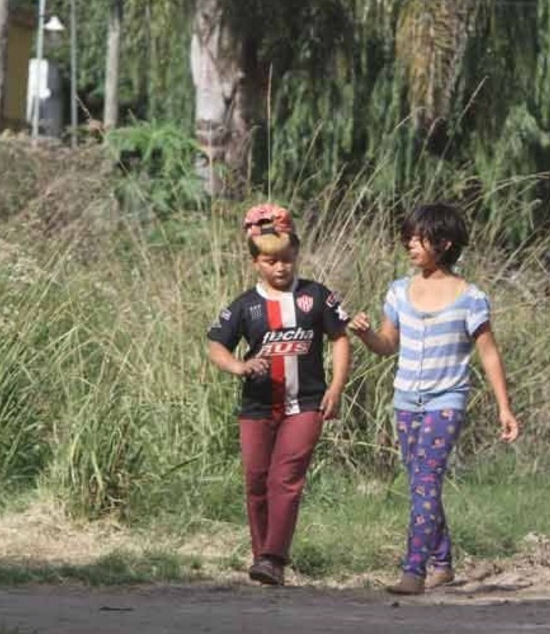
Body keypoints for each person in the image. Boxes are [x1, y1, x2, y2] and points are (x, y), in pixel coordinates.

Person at [349, 203, 521, 595]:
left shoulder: (470, 298)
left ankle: (415, 570)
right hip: (406, 399)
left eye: (418, 238)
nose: (409, 244)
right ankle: (442, 562)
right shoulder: (398, 290)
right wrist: (364, 335)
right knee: (419, 482)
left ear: (443, 244)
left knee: (425, 478)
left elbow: (489, 353)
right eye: (407, 237)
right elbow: (387, 343)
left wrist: (504, 407)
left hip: (447, 399)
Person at [206, 203, 352, 586]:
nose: (280, 267)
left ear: (296, 254)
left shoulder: (317, 297)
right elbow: (216, 346)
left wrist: (336, 388)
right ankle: (261, 557)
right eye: (270, 261)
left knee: (285, 479)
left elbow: (340, 339)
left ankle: (274, 558)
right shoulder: (245, 305)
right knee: (256, 480)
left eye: (286, 259)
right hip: (256, 407)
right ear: (256, 262)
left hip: (306, 404)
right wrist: (238, 366)